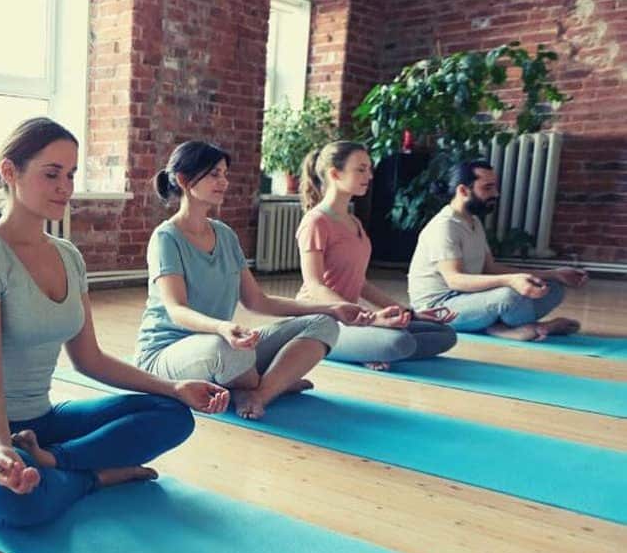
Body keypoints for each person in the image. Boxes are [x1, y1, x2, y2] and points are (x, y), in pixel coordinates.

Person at [0, 118, 229, 528]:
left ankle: (58, 461)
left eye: (71, 174)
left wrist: (174, 388)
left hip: (45, 424)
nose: (65, 187)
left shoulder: (69, 256)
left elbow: (89, 359)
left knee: (172, 413)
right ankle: (96, 476)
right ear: (9, 172)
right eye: (51, 174)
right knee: (20, 499)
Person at [134, 141, 371, 419]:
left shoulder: (225, 235)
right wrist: (222, 328)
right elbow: (176, 310)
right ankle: (272, 383)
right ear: (185, 180)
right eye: (214, 174)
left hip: (223, 342)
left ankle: (259, 392)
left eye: (224, 174)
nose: (224, 181)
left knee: (324, 324)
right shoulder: (166, 238)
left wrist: (329, 308)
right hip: (166, 353)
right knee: (229, 350)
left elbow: (257, 301)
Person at [296, 141, 457, 370]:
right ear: (334, 174)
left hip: (352, 320)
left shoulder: (354, 222)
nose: (369, 176)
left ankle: (365, 345)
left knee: (444, 334)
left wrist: (409, 312)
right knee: (398, 342)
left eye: (369, 169)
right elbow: (315, 287)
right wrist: (370, 318)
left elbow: (360, 283)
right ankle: (351, 347)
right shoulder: (315, 222)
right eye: (360, 169)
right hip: (319, 321)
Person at [407, 159, 588, 341]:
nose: (496, 193)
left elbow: (490, 268)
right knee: (510, 297)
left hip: (470, 298)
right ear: (463, 191)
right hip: (439, 308)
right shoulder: (444, 226)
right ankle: (507, 328)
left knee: (553, 288)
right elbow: (455, 280)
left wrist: (553, 274)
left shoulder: (473, 221)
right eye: (487, 188)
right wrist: (510, 281)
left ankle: (499, 326)